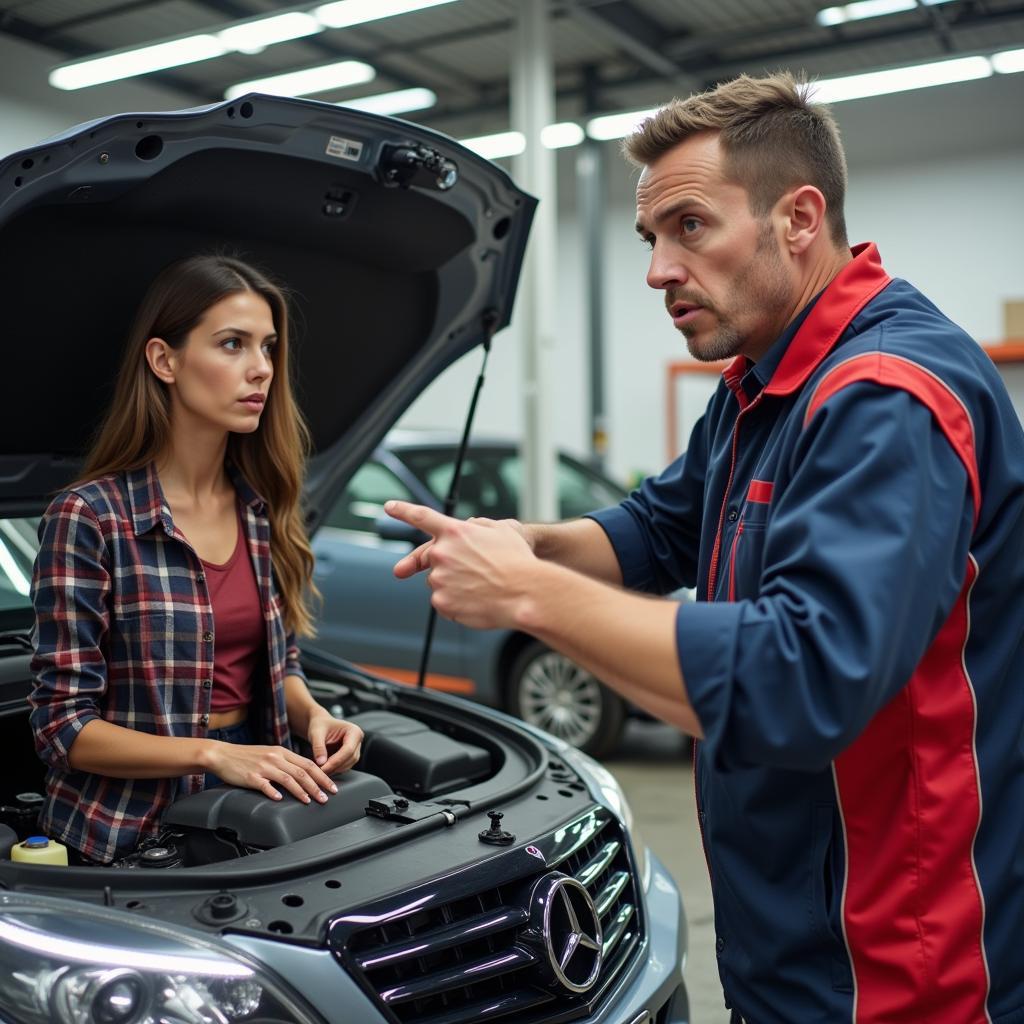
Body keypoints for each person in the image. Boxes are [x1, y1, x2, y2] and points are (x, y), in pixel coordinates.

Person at [385, 73, 1024, 1023]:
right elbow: (657, 527)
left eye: (690, 227)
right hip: (787, 937)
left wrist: (528, 595)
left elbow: (804, 679)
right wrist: (532, 542)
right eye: (652, 239)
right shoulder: (759, 386)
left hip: (896, 972)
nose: (657, 270)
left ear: (799, 218)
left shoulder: (888, 398)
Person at [30, 254, 364, 866]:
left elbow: (279, 663)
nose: (261, 368)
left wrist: (317, 715)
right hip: (126, 825)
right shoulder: (90, 516)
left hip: (258, 792)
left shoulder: (261, 508)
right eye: (232, 344)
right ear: (164, 361)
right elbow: (63, 728)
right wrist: (211, 752)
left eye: (267, 347)